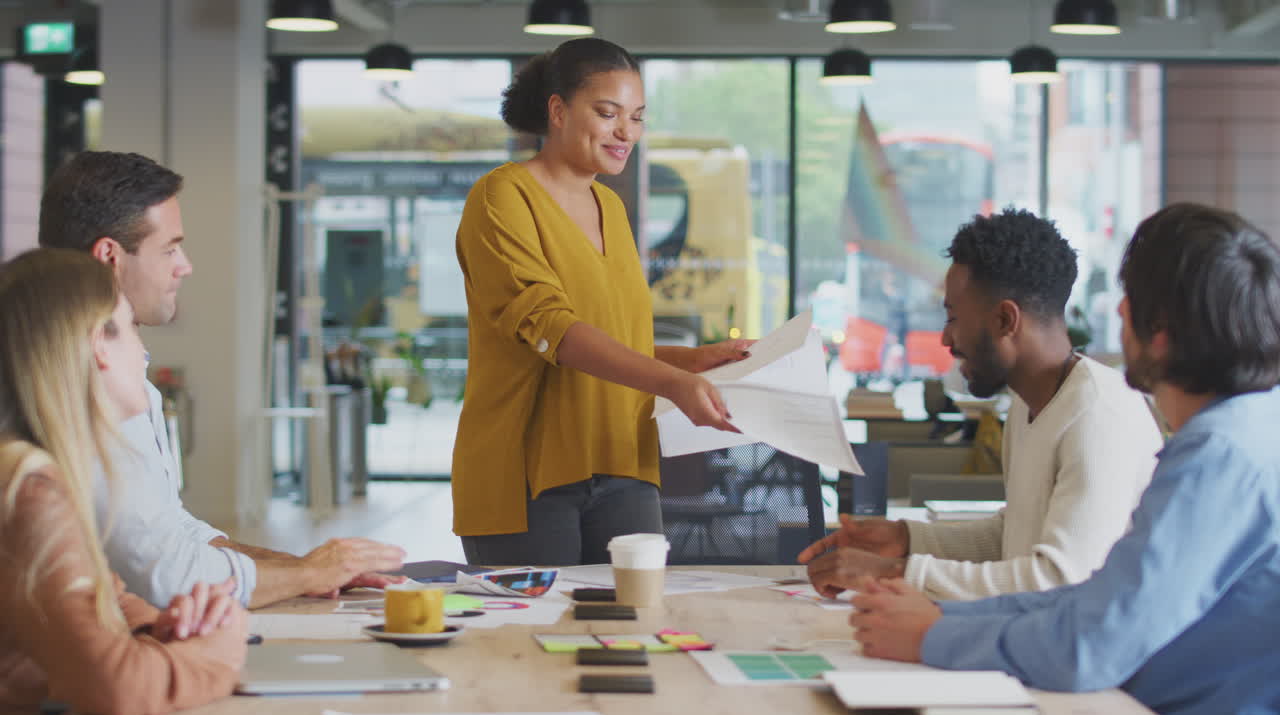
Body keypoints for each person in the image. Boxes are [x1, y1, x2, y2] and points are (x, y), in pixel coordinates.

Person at [848, 203, 1280, 715]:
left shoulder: (1217, 456)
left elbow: (1088, 645)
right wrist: (937, 614)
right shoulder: (1247, 431)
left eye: (1128, 304)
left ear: (1159, 332)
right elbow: (1094, 600)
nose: (1116, 315)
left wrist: (934, 634)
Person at [38, 150, 406, 609]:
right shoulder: (78, 386)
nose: (184, 265)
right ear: (110, 256)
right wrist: (308, 572)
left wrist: (300, 571)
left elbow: (173, 530)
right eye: (169, 249)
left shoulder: (118, 374)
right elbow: (165, 575)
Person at [453, 38, 751, 565]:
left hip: (623, 459)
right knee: (532, 637)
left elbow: (609, 336)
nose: (626, 133)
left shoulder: (609, 206)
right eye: (608, 113)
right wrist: (674, 382)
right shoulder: (501, 197)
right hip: (528, 472)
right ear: (558, 110)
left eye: (636, 117)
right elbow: (552, 328)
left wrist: (689, 360)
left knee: (633, 626)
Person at [799, 209, 1163, 601]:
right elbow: (1015, 537)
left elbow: (1060, 581)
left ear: (1006, 320)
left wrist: (896, 572)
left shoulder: (1097, 415)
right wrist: (907, 539)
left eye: (954, 318)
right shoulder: (1031, 404)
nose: (945, 339)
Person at [0, 248, 247, 715]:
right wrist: (218, 654)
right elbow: (118, 690)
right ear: (98, 344)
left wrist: (164, 628)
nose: (144, 350)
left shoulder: (30, 471)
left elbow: (102, 596)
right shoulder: (28, 489)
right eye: (131, 326)